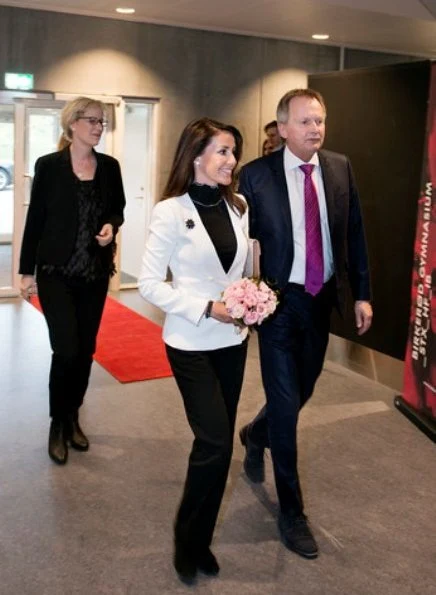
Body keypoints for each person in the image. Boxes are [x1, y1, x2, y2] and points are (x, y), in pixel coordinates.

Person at [238, 88, 373, 559]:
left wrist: (363, 294)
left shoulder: (339, 167)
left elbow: (354, 233)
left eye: (320, 120)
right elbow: (240, 244)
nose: (315, 128)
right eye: (305, 121)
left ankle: (254, 435)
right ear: (281, 128)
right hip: (277, 303)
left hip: (321, 300)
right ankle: (292, 513)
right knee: (285, 403)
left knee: (302, 393)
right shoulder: (255, 176)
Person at [138, 117, 249, 584]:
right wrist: (207, 307)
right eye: (222, 151)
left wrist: (250, 299)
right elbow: (147, 284)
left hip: (234, 343)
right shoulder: (169, 211)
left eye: (232, 151)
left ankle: (200, 539)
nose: (231, 160)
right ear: (197, 155)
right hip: (190, 343)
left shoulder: (240, 206)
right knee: (215, 441)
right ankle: (186, 539)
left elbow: (241, 268)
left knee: (218, 451)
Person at [19, 96, 126, 466]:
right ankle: (56, 423)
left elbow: (118, 208)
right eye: (93, 120)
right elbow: (36, 220)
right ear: (72, 123)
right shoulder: (49, 166)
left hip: (94, 274)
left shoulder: (110, 167)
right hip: (56, 273)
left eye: (102, 122)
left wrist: (112, 225)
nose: (99, 127)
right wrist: (25, 270)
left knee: (85, 351)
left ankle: (72, 416)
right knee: (65, 349)